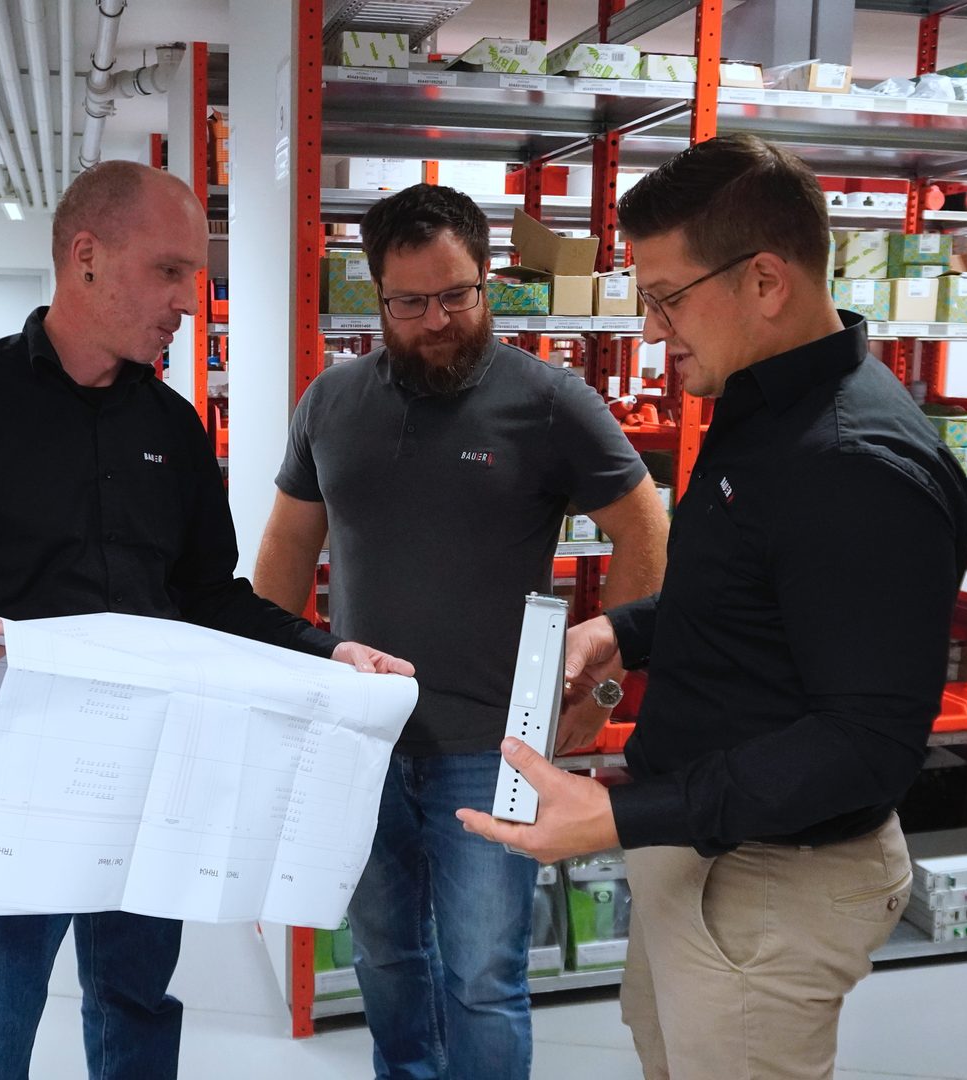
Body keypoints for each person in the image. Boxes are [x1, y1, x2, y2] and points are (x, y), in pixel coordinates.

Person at [0, 160, 411, 1080]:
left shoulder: (173, 430)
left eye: (196, 276)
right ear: (86, 257)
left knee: (136, 997)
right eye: (170, 270)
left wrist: (328, 653)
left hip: (151, 763)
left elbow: (210, 598)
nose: (189, 297)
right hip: (11, 763)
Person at [454, 134, 967, 1080]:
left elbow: (866, 741)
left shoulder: (857, 469)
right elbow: (746, 598)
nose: (655, 330)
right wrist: (623, 630)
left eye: (666, 298)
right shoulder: (762, 411)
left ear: (766, 280)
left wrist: (618, 818)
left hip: (771, 885)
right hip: (703, 853)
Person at [254, 183, 669, 1079]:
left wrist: (601, 690)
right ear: (376, 297)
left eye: (458, 294)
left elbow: (647, 531)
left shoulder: (550, 400)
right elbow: (284, 558)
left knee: (482, 975)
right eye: (410, 301)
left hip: (494, 746)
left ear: (487, 279)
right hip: (361, 740)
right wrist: (284, 694)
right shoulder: (330, 403)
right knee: (386, 961)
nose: (437, 319)